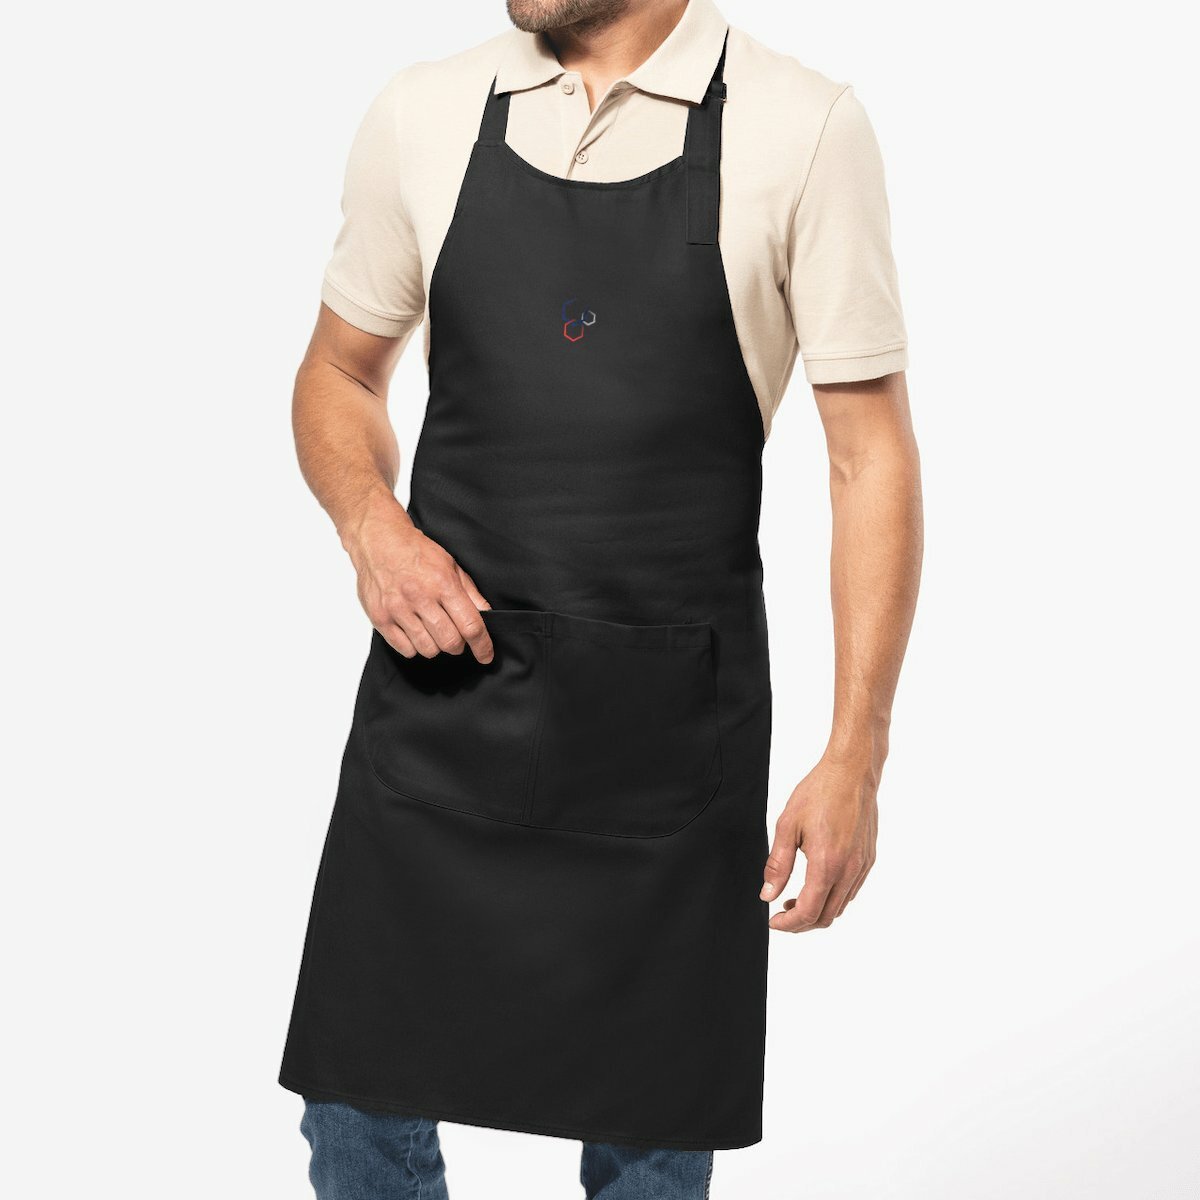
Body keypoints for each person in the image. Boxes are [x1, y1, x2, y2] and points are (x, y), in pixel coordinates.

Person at [279, 0, 923, 1195]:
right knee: (355, 1114)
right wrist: (372, 528)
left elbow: (867, 458)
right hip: (441, 717)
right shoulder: (425, 111)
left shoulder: (806, 128)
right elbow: (339, 370)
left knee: (650, 1155)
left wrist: (857, 756)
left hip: (667, 747)